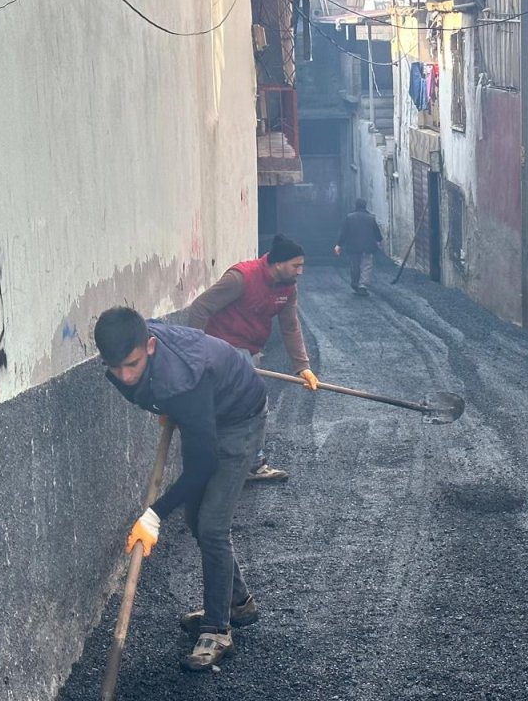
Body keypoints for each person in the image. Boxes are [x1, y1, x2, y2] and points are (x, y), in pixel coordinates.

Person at [94, 306, 267, 672]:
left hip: (240, 418)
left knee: (213, 526)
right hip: (201, 409)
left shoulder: (182, 383)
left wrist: (153, 515)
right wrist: (163, 401)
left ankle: (217, 629)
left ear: (150, 347)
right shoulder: (140, 351)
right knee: (194, 517)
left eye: (133, 365)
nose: (125, 376)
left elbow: (203, 465)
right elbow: (158, 379)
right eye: (115, 367)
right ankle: (237, 603)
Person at [187, 234, 320, 481]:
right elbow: (200, 308)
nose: (300, 271)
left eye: (301, 265)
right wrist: (194, 351)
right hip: (223, 346)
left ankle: (239, 463)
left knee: (239, 406)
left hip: (249, 348)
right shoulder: (241, 278)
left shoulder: (288, 287)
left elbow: (290, 326)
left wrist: (303, 367)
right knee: (255, 403)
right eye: (296, 265)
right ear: (278, 264)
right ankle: (250, 464)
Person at [334, 199, 383, 295]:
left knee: (355, 265)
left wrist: (339, 245)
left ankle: (355, 282)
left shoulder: (349, 217)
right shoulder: (371, 218)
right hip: (368, 246)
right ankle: (363, 286)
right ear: (365, 206)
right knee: (366, 266)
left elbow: (344, 233)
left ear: (355, 205)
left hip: (353, 247)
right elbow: (377, 232)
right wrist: (379, 241)